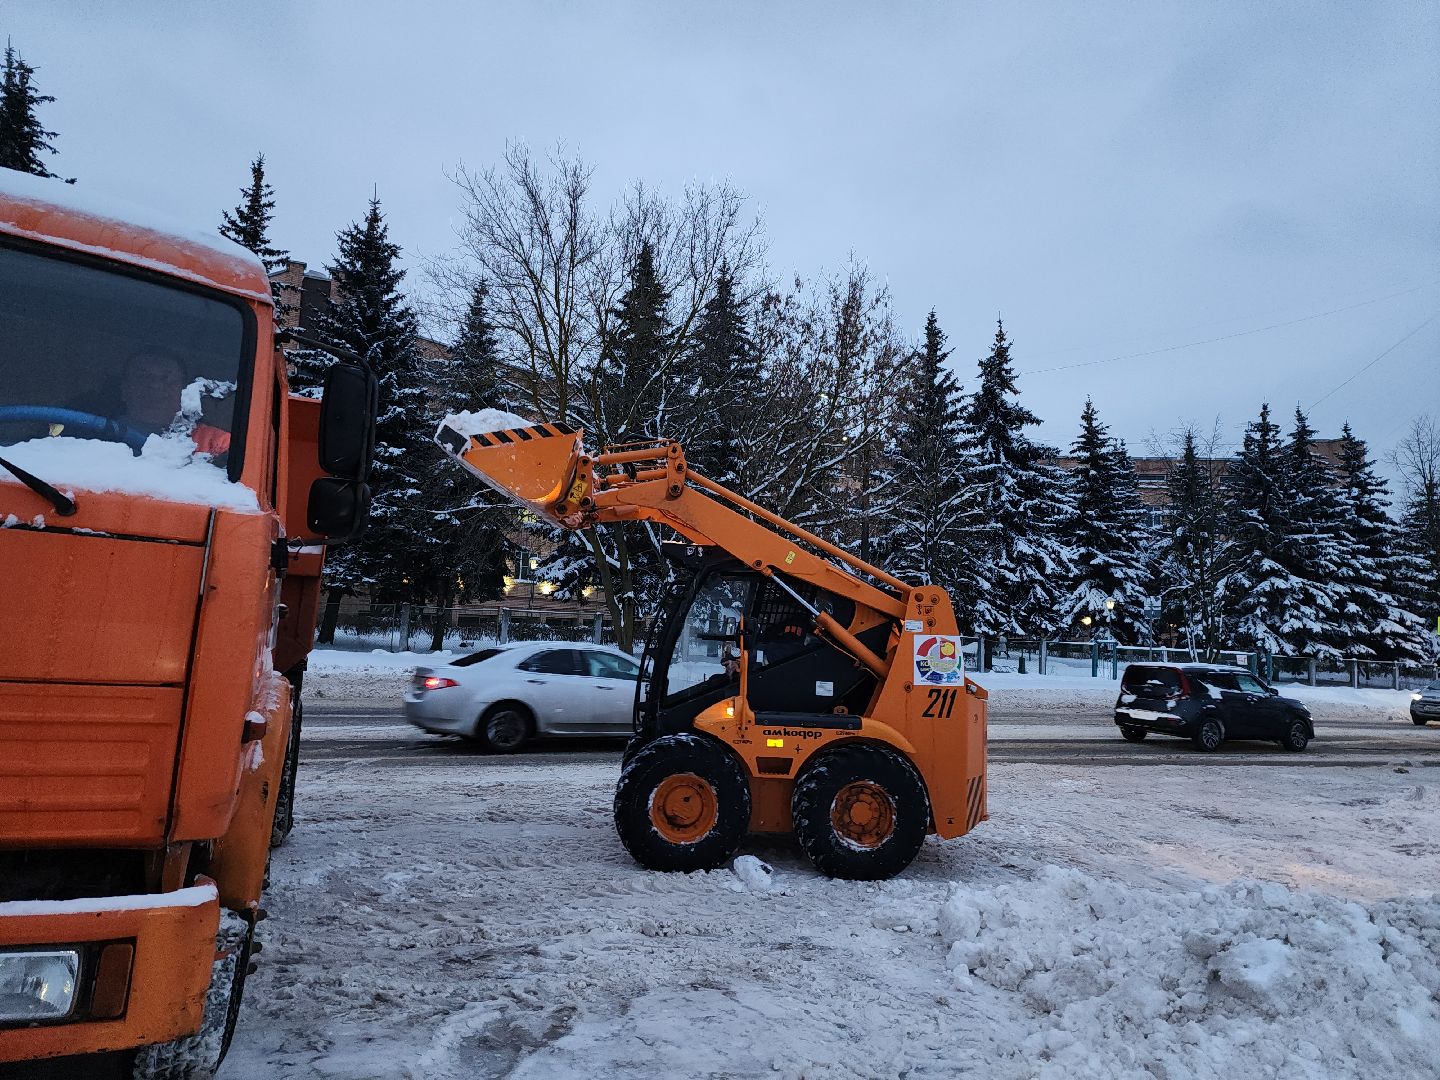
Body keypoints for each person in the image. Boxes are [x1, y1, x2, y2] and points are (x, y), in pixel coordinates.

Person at [116, 350, 230, 457]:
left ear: (185, 393)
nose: (156, 386)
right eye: (143, 377)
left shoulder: (215, 443)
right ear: (124, 390)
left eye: (167, 378)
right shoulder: (102, 436)